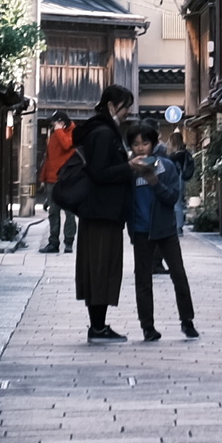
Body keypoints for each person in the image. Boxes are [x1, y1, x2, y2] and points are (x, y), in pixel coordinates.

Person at [72, 85, 137, 340]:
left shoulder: (101, 130)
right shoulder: (103, 133)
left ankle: (98, 325)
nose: (128, 112)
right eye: (125, 106)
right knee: (101, 269)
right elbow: (99, 172)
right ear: (111, 106)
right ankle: (97, 326)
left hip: (101, 212)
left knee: (100, 269)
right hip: (102, 213)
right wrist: (128, 167)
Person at [127, 123, 198, 341]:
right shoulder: (128, 171)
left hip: (165, 230)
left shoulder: (166, 167)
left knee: (178, 275)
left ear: (153, 145)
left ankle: (187, 321)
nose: (140, 149)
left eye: (145, 143)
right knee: (143, 281)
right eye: (136, 144)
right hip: (140, 230)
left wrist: (154, 181)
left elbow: (172, 198)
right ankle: (147, 326)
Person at [38, 112, 77, 253]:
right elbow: (48, 158)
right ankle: (53, 242)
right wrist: (43, 179)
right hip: (51, 179)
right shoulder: (54, 135)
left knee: (69, 212)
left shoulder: (73, 132)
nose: (52, 125)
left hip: (67, 178)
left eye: (54, 122)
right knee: (53, 212)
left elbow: (67, 144)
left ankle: (68, 241)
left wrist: (59, 130)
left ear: (61, 122)